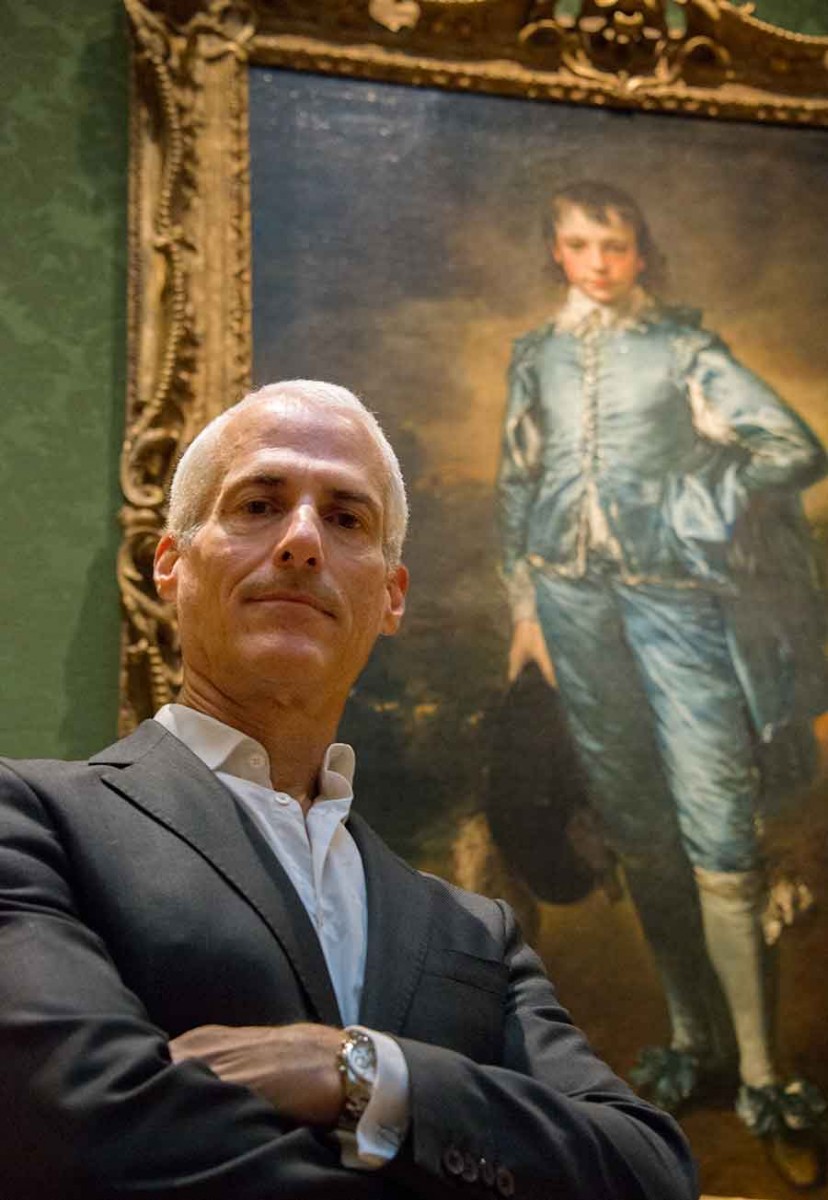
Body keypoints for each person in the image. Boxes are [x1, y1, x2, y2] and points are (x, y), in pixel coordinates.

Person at [0, 380, 695, 1200]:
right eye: (258, 504)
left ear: (390, 596)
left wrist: (361, 1072)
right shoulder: (33, 823)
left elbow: (648, 1170)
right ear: (171, 565)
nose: (300, 541)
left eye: (346, 518)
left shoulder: (478, 934)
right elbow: (83, 1132)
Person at [497, 181, 828, 1185]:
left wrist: (700, 496)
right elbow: (518, 482)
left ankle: (764, 1073)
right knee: (638, 827)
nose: (598, 261)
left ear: (642, 255)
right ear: (557, 251)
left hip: (678, 604)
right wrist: (523, 611)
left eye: (617, 245)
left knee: (717, 827)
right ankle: (695, 1042)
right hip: (571, 608)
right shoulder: (537, 355)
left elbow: (793, 447)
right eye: (581, 243)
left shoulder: (683, 350)